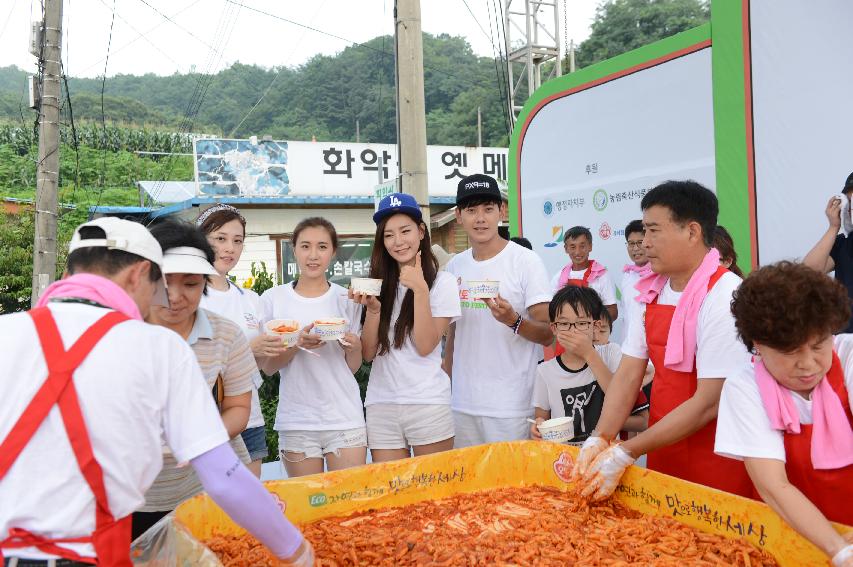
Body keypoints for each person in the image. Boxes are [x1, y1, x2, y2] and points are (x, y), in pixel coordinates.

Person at [0, 217, 312, 566]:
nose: (168, 298)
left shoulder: (6, 333)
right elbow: (224, 478)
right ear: (138, 274)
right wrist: (296, 551)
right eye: (159, 285)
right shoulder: (158, 347)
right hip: (91, 552)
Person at [572, 180, 754, 500]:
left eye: (654, 230)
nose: (645, 242)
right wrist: (600, 438)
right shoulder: (649, 291)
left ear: (692, 231)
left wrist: (626, 451)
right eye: (644, 230)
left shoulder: (726, 295)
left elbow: (708, 401)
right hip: (663, 443)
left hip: (718, 451)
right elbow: (629, 374)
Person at [714, 262, 852, 566]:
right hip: (786, 535)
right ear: (758, 347)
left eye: (818, 346)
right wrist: (840, 551)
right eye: (790, 352)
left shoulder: (850, 356)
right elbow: (773, 486)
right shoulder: (744, 387)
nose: (808, 364)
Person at [134, 220, 257, 539]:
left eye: (189, 284)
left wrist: (198, 441)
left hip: (208, 483)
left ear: (204, 282)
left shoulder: (226, 335)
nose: (175, 296)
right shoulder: (120, 334)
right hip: (134, 493)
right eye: (164, 282)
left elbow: (239, 408)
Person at [443, 174, 554, 447]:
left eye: (488, 209)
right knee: (469, 487)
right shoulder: (454, 267)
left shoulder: (525, 262)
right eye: (471, 211)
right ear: (459, 216)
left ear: (501, 211)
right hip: (462, 404)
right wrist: (447, 380)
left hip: (511, 405)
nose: (480, 218)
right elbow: (453, 334)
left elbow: (549, 334)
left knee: (511, 488)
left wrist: (513, 321)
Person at [353, 193, 460, 462]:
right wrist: (374, 311)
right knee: (393, 494)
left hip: (428, 404)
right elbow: (368, 354)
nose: (398, 241)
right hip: (381, 404)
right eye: (389, 235)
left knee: (434, 493)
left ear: (421, 231)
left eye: (405, 231)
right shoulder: (376, 284)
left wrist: (421, 290)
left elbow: (426, 346)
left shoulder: (443, 283)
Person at [260, 217, 365, 478]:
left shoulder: (347, 298)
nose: (313, 255)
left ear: (333, 251)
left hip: (344, 418)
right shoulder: (273, 299)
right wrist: (297, 343)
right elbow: (269, 368)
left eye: (322, 246)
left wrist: (354, 347)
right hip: (297, 420)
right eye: (305, 246)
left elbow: (352, 367)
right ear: (293, 249)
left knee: (349, 503)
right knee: (309, 509)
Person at [198, 203, 282, 478]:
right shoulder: (189, 296)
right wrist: (248, 348)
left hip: (250, 418)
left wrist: (287, 344)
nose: (229, 248)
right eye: (220, 239)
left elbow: (265, 367)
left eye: (237, 241)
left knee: (247, 509)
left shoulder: (250, 300)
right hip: (203, 420)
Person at [530, 287, 648, 444]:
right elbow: (541, 417)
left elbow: (626, 403)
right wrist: (538, 426)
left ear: (596, 326)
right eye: (564, 323)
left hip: (604, 456)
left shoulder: (611, 354)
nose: (573, 330)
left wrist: (589, 354)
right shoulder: (545, 371)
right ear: (554, 328)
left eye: (582, 323)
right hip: (564, 458)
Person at [803, 172, 853, 333]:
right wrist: (833, 226)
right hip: (845, 340)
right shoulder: (843, 243)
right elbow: (807, 272)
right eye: (850, 203)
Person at [551, 226, 618, 322]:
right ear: (566, 249)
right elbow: (552, 310)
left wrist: (590, 325)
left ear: (590, 246)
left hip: (593, 335)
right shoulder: (558, 277)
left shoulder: (601, 275)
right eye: (572, 247)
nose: (577, 252)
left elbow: (613, 311)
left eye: (582, 246)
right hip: (566, 335)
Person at [615, 220, 652, 343]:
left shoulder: (661, 273)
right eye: (631, 244)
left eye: (640, 243)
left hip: (652, 342)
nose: (635, 248)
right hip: (630, 344)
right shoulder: (628, 274)